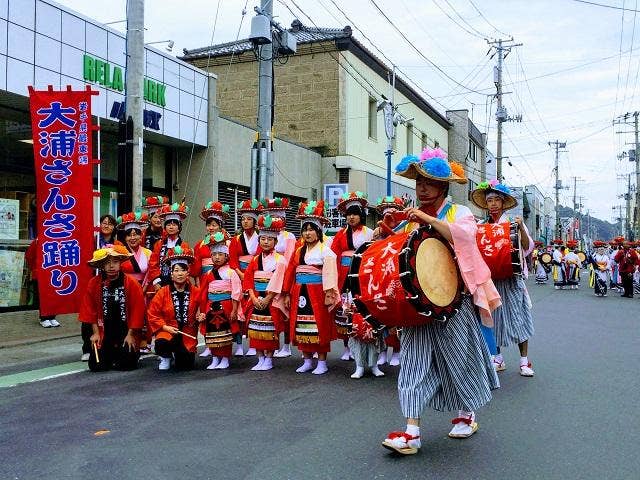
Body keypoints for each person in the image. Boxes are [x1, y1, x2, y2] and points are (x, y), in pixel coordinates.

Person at [379, 148, 500, 455]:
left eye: (428, 182)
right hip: (418, 303)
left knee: (458, 359)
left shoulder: (458, 212)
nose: (421, 187)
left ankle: (466, 412)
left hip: (453, 301)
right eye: (418, 181)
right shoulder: (410, 219)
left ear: (443, 187)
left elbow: (465, 237)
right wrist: (386, 235)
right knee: (413, 362)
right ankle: (411, 431)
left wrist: (427, 220)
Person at [471, 180, 535, 377]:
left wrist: (521, 227)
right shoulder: (480, 225)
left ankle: (525, 362)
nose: (493, 204)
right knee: (493, 319)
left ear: (504, 202)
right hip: (490, 279)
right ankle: (497, 357)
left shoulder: (512, 223)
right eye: (489, 200)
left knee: (519, 318)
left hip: (511, 278)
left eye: (497, 200)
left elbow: (527, 248)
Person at [282, 201, 340, 375]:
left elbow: (330, 274)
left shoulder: (326, 251)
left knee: (319, 325)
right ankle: (307, 359)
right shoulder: (298, 251)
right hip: (299, 290)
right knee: (301, 325)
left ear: (318, 231)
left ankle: (322, 362)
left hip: (317, 291)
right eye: (305, 230)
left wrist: (329, 293)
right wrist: (286, 293)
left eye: (311, 229)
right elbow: (291, 272)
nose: (307, 233)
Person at [78, 245, 145, 372]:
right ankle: (109, 354)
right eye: (107, 263)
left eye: (115, 262)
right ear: (102, 265)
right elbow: (89, 310)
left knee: (126, 365)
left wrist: (131, 335)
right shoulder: (94, 283)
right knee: (96, 366)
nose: (111, 266)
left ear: (120, 263)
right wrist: (96, 333)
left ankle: (127, 353)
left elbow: (138, 311)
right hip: (104, 332)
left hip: (125, 333)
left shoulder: (131, 283)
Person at [330, 191, 374, 361]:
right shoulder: (340, 234)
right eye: (349, 215)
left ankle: (365, 345)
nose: (352, 218)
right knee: (345, 310)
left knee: (360, 309)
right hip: (344, 274)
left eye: (355, 214)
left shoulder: (369, 233)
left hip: (361, 272)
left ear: (361, 215)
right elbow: (333, 255)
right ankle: (347, 346)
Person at [243, 215, 289, 371]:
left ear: (275, 242)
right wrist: (253, 297)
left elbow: (280, 281)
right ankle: (260, 357)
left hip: (272, 298)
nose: (266, 242)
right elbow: (248, 278)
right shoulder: (255, 259)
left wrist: (268, 297)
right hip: (257, 296)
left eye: (270, 239)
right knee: (255, 329)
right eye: (263, 238)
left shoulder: (280, 260)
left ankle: (269, 358)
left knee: (270, 330)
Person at [147, 246, 201, 371]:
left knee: (185, 366)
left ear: (188, 273)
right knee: (161, 343)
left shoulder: (196, 292)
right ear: (171, 273)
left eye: (183, 270)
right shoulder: (162, 292)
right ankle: (166, 357)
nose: (180, 274)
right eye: (176, 270)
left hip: (187, 333)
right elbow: (153, 314)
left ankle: (180, 355)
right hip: (168, 331)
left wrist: (201, 314)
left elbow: (203, 307)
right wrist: (165, 327)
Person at [191, 201, 230, 358]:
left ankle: (229, 345)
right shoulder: (200, 244)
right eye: (209, 225)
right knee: (206, 311)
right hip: (205, 279)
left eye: (214, 225)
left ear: (220, 225)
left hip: (222, 279)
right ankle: (209, 344)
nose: (211, 228)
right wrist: (198, 282)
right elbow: (196, 267)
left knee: (223, 313)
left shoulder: (228, 241)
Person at [199, 231, 243, 370]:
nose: (217, 257)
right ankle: (214, 357)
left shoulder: (231, 272)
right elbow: (203, 293)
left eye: (220, 254)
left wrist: (235, 309)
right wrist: (203, 310)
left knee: (226, 332)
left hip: (226, 304)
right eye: (214, 255)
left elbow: (236, 291)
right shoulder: (207, 274)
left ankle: (225, 358)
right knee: (211, 332)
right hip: (211, 305)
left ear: (226, 256)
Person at [372, 196, 406, 367]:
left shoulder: (403, 231)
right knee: (380, 313)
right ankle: (383, 350)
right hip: (380, 277)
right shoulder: (377, 234)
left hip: (396, 277)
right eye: (386, 216)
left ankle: (397, 350)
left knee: (396, 315)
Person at [261, 197, 297, 358]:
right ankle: (271, 342)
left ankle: (287, 345)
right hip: (268, 274)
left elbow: (289, 259)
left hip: (284, 273)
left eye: (279, 216)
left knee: (285, 311)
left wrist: (285, 281)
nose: (276, 219)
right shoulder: (265, 235)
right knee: (270, 312)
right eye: (272, 216)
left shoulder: (289, 236)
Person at [116, 211, 153, 353]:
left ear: (141, 235)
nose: (133, 238)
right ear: (125, 237)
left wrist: (143, 288)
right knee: (126, 314)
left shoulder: (148, 253)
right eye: (129, 235)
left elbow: (150, 272)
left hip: (144, 288)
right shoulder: (120, 252)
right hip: (125, 287)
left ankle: (145, 341)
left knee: (144, 315)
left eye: (136, 234)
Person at [229, 199, 262, 357]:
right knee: (237, 308)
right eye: (243, 219)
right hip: (238, 276)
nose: (245, 222)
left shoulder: (261, 238)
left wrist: (248, 275)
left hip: (255, 275)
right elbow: (233, 260)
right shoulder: (235, 240)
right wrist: (241, 275)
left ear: (255, 222)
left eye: (249, 219)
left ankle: (254, 344)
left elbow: (260, 258)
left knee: (252, 310)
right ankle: (239, 345)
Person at [148, 202, 191, 292]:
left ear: (179, 228)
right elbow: (153, 264)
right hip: (160, 282)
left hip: (179, 283)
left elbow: (187, 267)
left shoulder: (184, 245)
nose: (171, 227)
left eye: (174, 225)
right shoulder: (159, 244)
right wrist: (156, 281)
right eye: (168, 224)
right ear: (165, 227)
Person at [25, 238, 61, 328]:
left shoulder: (57, 240)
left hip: (53, 273)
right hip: (40, 274)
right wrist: (34, 268)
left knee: (53, 296)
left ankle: (52, 316)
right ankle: (44, 318)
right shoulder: (37, 241)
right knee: (42, 297)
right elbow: (29, 256)